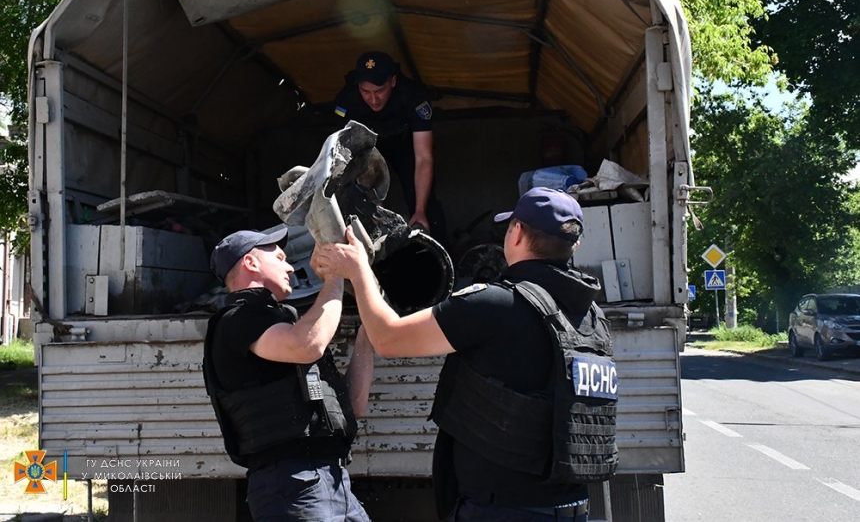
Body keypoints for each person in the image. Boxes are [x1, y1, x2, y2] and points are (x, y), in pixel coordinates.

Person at [315, 187, 617, 522]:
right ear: (574, 245)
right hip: (571, 508)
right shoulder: (591, 318)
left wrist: (359, 271)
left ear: (516, 232)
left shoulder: (495, 304)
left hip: (502, 511)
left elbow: (388, 338)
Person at [202, 226, 375, 522]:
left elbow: (354, 405)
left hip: (333, 481)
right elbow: (307, 345)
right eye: (280, 258)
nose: (291, 267)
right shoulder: (238, 319)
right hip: (292, 485)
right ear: (251, 263)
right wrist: (335, 276)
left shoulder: (283, 322)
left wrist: (369, 329)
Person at [333, 50, 447, 244]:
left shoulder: (413, 96)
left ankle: (442, 260)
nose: (373, 99)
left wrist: (420, 211)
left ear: (392, 82)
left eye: (380, 91)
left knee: (426, 207)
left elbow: (424, 158)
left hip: (405, 145)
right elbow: (345, 156)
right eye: (366, 92)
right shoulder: (346, 101)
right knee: (358, 203)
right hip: (367, 150)